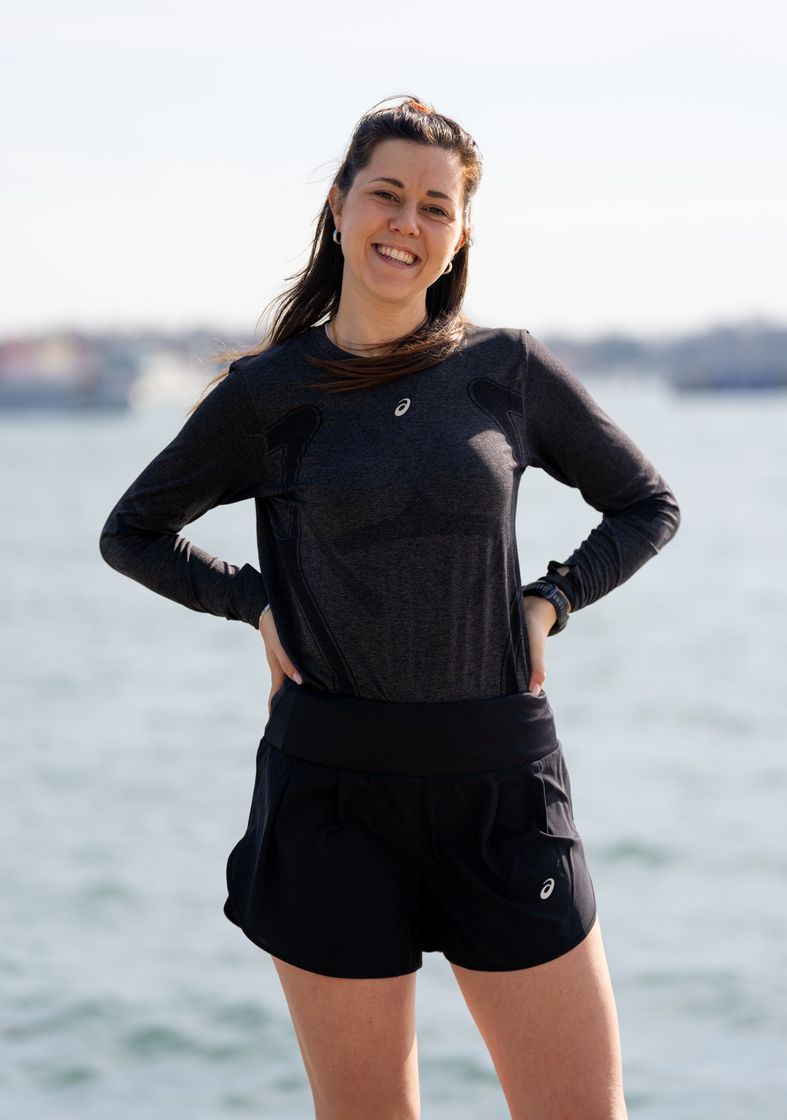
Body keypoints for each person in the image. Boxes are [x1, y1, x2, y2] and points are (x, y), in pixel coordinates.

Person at [99, 95, 680, 1120]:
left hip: (500, 784)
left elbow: (645, 505)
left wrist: (550, 600)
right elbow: (132, 531)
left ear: (459, 234)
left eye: (435, 206)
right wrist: (254, 604)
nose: (407, 223)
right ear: (338, 206)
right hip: (331, 791)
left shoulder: (505, 370)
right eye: (386, 195)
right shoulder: (268, 394)